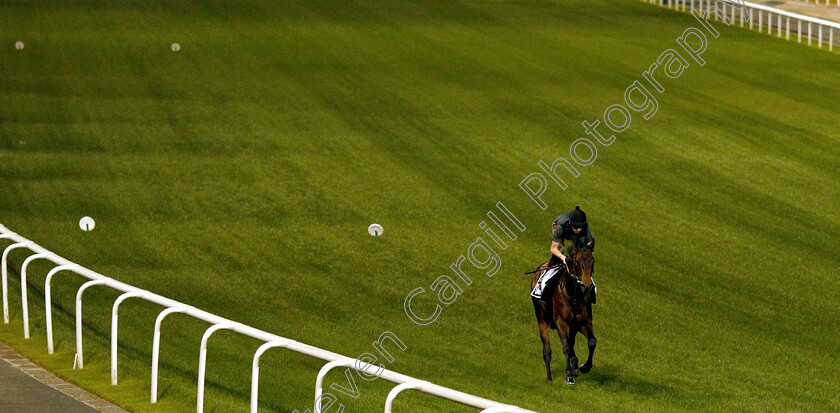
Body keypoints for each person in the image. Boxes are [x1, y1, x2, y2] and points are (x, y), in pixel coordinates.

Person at [531, 206, 596, 307]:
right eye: (575, 227)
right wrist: (563, 258)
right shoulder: (561, 227)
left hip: (576, 236)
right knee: (558, 255)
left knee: (580, 255)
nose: (578, 230)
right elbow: (553, 248)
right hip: (559, 225)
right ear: (571, 225)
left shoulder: (585, 229)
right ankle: (542, 283)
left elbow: (589, 245)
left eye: (580, 227)